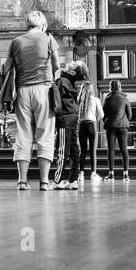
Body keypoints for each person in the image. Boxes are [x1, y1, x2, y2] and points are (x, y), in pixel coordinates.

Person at [0, 9, 60, 191]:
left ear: (28, 23)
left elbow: (6, 67)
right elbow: (56, 65)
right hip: (44, 89)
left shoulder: (16, 41)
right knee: (45, 134)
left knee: (23, 135)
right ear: (42, 24)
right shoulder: (49, 39)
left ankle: (22, 182)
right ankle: (44, 182)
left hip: (23, 91)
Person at [53, 60, 83, 190]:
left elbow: (56, 102)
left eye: (74, 63)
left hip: (64, 118)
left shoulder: (61, 81)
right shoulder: (71, 83)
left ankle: (58, 180)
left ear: (72, 71)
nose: (72, 61)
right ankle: (73, 180)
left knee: (62, 150)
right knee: (74, 150)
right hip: (73, 117)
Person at [102, 79, 131, 181]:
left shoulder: (107, 98)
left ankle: (111, 174)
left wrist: (107, 120)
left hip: (110, 126)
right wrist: (125, 120)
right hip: (123, 126)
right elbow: (130, 114)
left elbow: (103, 114)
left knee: (111, 150)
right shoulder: (124, 98)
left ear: (110, 86)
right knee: (124, 149)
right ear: (119, 86)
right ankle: (126, 174)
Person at [76, 77, 103, 187]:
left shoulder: (79, 101)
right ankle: (93, 174)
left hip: (82, 125)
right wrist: (95, 120)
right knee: (93, 151)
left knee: (82, 151)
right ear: (91, 89)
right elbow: (101, 114)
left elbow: (77, 115)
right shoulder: (96, 100)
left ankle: (81, 174)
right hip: (91, 125)